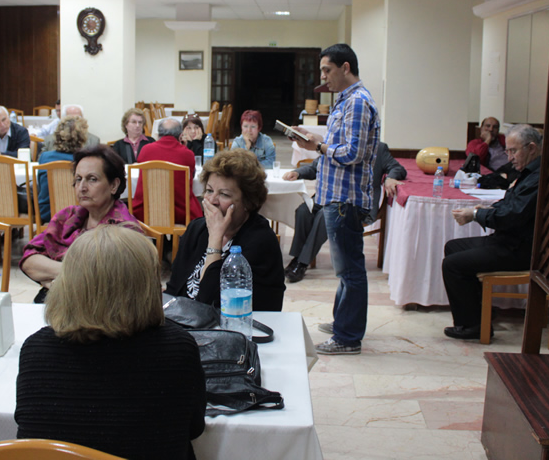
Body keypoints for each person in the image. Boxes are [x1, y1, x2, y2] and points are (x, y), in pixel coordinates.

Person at [16, 225, 206, 460]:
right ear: (148, 288)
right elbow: (194, 428)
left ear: (68, 285)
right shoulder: (177, 349)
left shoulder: (36, 351)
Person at [292, 43, 379, 355]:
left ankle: (348, 337)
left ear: (345, 68)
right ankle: (344, 321)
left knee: (350, 270)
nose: (323, 77)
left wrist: (319, 147)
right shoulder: (346, 100)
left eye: (327, 70)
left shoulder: (358, 102)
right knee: (345, 269)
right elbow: (339, 145)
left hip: (346, 198)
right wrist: (317, 141)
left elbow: (353, 153)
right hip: (336, 195)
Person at [442, 124, 543, 340]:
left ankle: (473, 326)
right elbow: (511, 204)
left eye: (513, 151)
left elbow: (513, 215)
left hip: (521, 249)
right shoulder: (529, 172)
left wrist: (476, 214)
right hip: (510, 240)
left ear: (532, 148)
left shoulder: (538, 177)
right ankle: (479, 313)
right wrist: (486, 210)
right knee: (453, 247)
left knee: (452, 265)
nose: (510, 157)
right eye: (507, 151)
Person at [166, 149, 285, 311]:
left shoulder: (260, 241)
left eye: (224, 194)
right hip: (185, 321)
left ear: (247, 202)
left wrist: (215, 240)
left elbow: (212, 304)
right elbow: (173, 290)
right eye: (209, 191)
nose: (212, 201)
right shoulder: (197, 229)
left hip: (235, 323)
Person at [20, 145, 142, 303]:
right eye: (78, 179)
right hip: (58, 302)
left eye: (92, 179)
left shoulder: (125, 231)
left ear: (113, 185)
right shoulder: (69, 216)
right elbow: (29, 261)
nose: (82, 188)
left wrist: (51, 278)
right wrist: (69, 275)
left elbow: (107, 285)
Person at [283, 142, 406, 283]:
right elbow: (315, 166)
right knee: (303, 210)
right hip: (328, 197)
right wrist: (297, 173)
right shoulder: (335, 143)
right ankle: (298, 257)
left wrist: (390, 178)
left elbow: (397, 168)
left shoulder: (377, 148)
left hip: (356, 204)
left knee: (326, 215)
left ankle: (301, 263)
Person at [131, 118, 202, 225]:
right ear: (180, 135)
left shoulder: (146, 150)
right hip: (180, 214)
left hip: (146, 212)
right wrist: (184, 147)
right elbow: (190, 176)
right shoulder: (187, 154)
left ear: (159, 134)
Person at [36, 116, 91, 223]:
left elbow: (40, 186)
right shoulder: (86, 159)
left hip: (48, 212)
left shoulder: (44, 157)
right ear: (83, 137)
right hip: (79, 213)